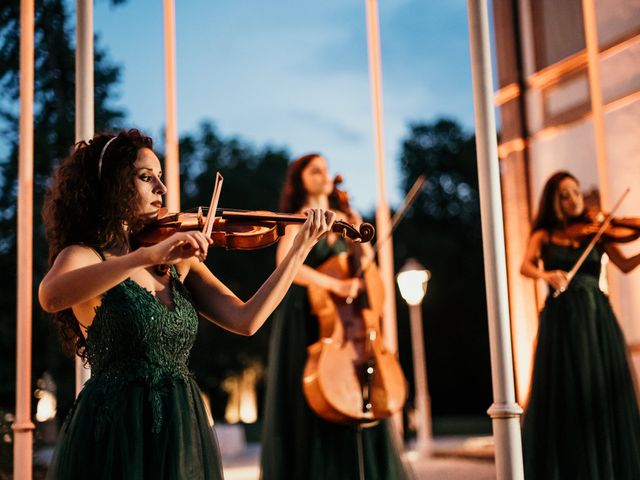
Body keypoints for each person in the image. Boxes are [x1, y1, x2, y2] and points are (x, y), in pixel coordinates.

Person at [39, 129, 336, 479]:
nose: (161, 190)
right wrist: (142, 256)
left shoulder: (176, 260)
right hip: (116, 428)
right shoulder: (85, 255)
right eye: (146, 178)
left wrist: (298, 251)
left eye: (160, 178)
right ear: (112, 184)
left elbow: (247, 319)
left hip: (182, 424)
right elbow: (51, 295)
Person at [259, 153, 411, 480]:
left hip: (347, 319)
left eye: (325, 170)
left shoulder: (343, 218)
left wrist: (358, 235)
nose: (324, 176)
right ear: (300, 179)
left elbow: (366, 262)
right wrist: (335, 284)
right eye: (315, 171)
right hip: (308, 315)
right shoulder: (297, 218)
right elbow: (287, 266)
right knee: (307, 405)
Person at [520, 170, 640, 480]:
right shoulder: (544, 236)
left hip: (596, 318)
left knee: (599, 390)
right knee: (566, 392)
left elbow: (625, 265)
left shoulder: (597, 233)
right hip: (561, 324)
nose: (573, 199)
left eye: (576, 192)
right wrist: (546, 275)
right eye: (565, 195)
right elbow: (525, 266)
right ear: (554, 202)